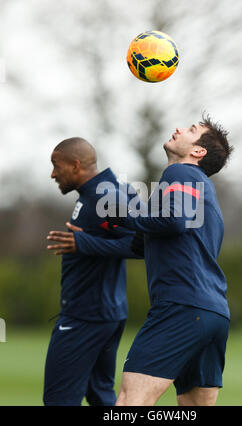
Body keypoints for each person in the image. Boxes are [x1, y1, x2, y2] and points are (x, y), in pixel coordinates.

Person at [107, 114, 234, 406]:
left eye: (190, 130)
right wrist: (84, 244)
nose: (179, 129)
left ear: (198, 152)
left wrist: (121, 212)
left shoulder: (181, 173)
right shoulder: (198, 189)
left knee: (129, 403)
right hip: (213, 313)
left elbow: (173, 221)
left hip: (181, 308)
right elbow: (142, 245)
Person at [44, 137, 140, 406]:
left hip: (85, 317)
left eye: (56, 165)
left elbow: (143, 244)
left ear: (76, 165)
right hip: (104, 313)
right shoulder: (100, 192)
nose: (52, 174)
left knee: (59, 400)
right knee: (100, 396)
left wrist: (84, 242)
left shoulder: (104, 196)